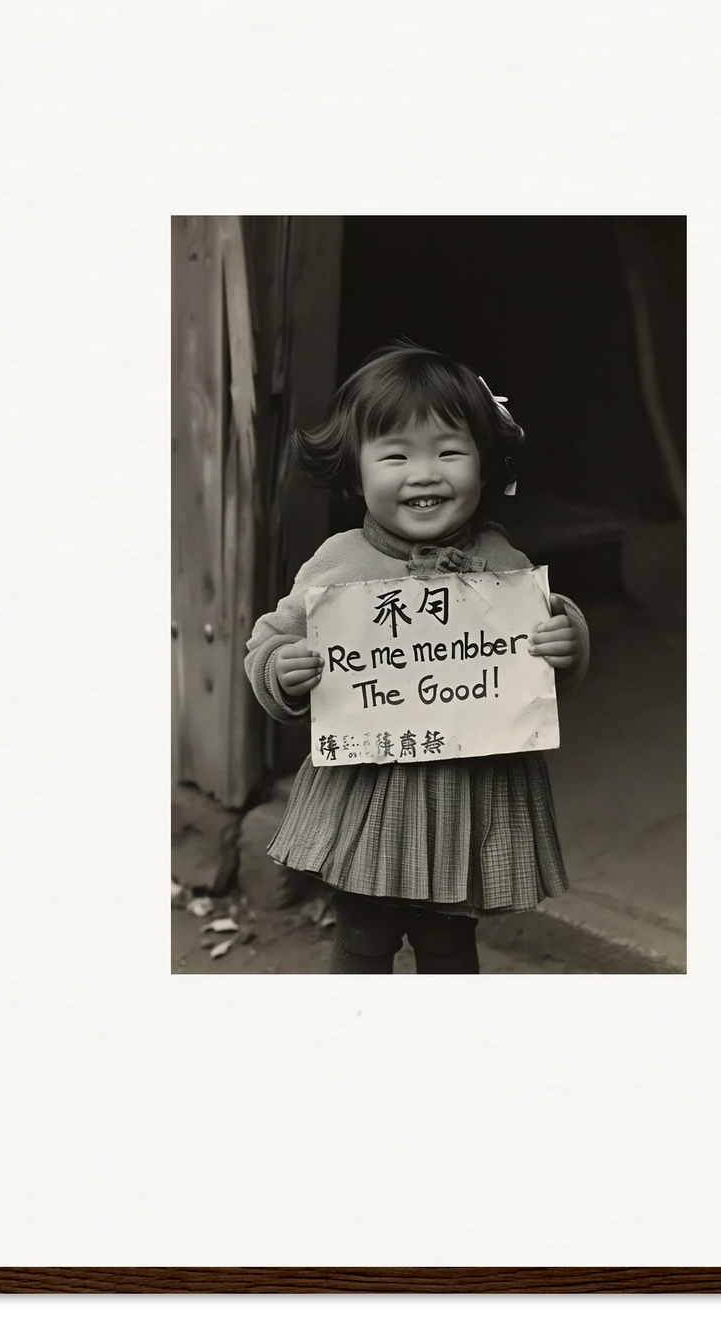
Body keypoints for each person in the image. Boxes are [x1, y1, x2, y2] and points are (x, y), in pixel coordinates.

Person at [244, 340, 590, 973]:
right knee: (365, 936)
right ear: (355, 472)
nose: (425, 472)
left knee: (449, 943)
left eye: (449, 451)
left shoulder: (504, 565)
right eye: (396, 454)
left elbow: (531, 666)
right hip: (372, 797)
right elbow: (269, 638)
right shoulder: (338, 563)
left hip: (469, 799)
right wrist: (281, 669)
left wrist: (564, 642)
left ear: (485, 467)